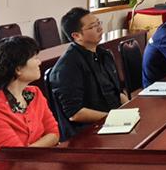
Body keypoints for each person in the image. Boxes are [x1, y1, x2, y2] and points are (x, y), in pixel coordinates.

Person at [0, 36, 59, 165]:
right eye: (34, 58)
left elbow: (54, 133)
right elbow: (14, 158)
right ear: (18, 69)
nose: (39, 62)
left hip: (36, 165)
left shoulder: (34, 93)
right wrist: (41, 145)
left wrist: (28, 150)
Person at [49, 8, 127, 139]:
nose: (99, 28)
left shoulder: (105, 54)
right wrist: (113, 117)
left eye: (98, 23)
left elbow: (117, 92)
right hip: (90, 132)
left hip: (114, 121)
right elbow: (75, 113)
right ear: (76, 35)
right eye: (92, 26)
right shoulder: (67, 66)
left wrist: (130, 108)